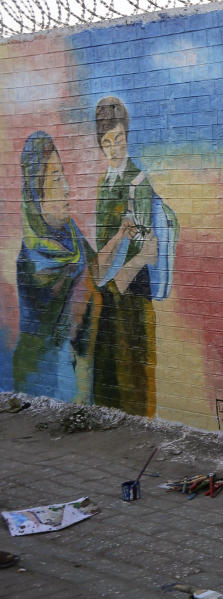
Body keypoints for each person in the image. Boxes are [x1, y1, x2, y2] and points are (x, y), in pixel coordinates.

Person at [92, 96, 179, 417]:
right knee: (111, 376)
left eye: (120, 140)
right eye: (107, 142)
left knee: (136, 377)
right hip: (109, 293)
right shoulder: (104, 183)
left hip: (134, 293)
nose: (114, 149)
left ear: (127, 138)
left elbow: (145, 243)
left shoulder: (138, 182)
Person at [13, 132, 99, 403]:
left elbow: (98, 271)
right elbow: (81, 301)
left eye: (63, 175)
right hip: (44, 380)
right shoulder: (35, 262)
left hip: (74, 378)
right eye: (55, 178)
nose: (66, 187)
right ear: (38, 194)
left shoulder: (69, 235)